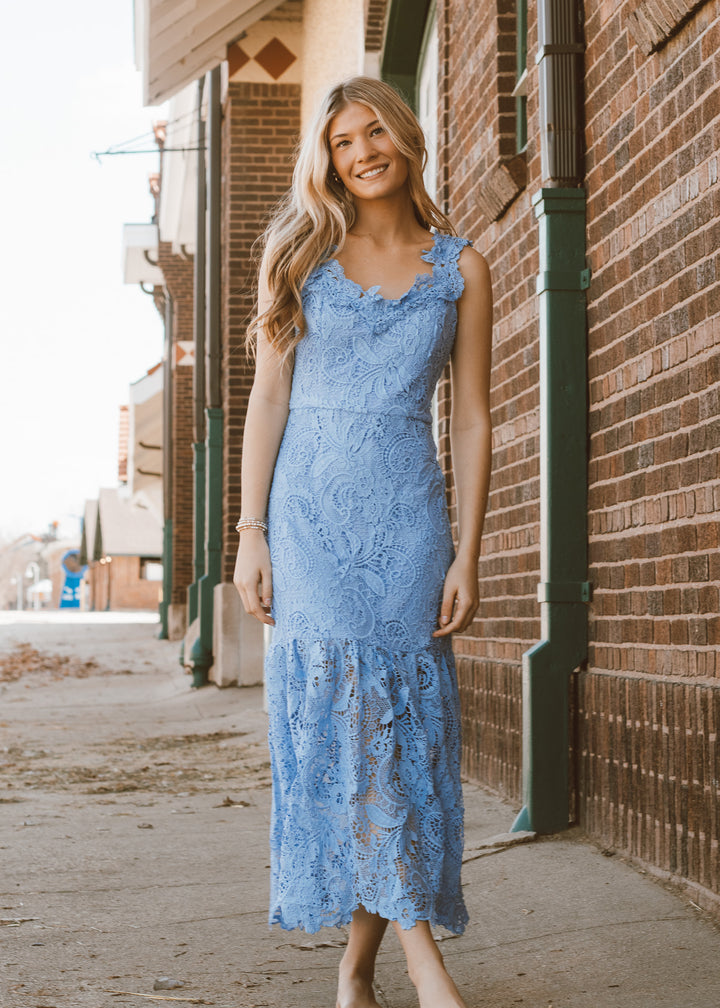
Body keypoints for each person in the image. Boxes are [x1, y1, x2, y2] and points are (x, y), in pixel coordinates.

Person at [234, 75, 492, 1008]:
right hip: (308, 521)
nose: (361, 151)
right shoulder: (298, 255)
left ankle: (357, 968)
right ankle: (427, 968)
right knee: (351, 735)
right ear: (328, 159)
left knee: (399, 741)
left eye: (373, 130)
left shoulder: (462, 267)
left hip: (410, 523)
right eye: (342, 141)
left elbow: (472, 417)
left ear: (405, 136)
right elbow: (268, 400)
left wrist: (468, 550)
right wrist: (250, 532)